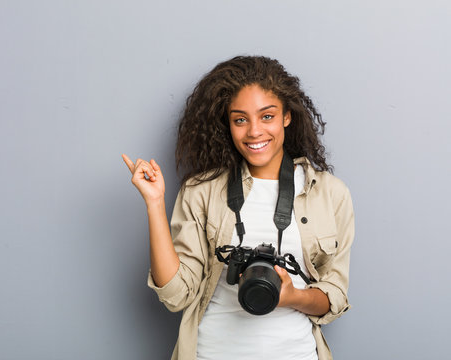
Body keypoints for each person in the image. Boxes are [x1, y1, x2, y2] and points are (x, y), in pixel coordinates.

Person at [122, 56, 354, 360]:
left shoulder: (330, 193)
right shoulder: (201, 191)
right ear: (228, 125)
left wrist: (292, 296)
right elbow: (176, 296)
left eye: (267, 116)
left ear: (287, 116)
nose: (254, 131)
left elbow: (334, 297)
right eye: (240, 119)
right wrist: (154, 203)